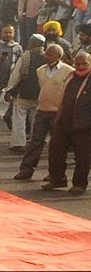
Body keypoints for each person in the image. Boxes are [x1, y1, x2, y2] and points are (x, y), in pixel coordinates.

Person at [13, 41, 71, 180]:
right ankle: (27, 169)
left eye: (50, 55)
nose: (46, 57)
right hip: (42, 110)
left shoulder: (68, 71)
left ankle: (55, 174)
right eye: (47, 54)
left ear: (58, 56)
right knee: (35, 141)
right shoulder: (41, 70)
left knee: (57, 144)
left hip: (58, 112)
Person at [43, 49, 91, 194]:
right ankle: (57, 179)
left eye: (84, 64)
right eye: (78, 64)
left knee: (82, 156)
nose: (81, 67)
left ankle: (79, 184)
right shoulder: (71, 76)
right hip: (65, 120)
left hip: (84, 125)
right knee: (55, 150)